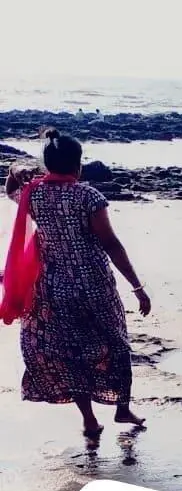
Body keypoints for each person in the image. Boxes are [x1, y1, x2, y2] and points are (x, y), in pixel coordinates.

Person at [3, 130, 149, 439]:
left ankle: (89, 420)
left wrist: (17, 169)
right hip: (93, 286)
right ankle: (122, 408)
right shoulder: (88, 196)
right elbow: (111, 244)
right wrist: (137, 287)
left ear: (47, 165)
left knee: (71, 353)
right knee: (116, 345)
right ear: (77, 165)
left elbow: (11, 187)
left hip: (53, 287)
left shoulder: (34, 195)